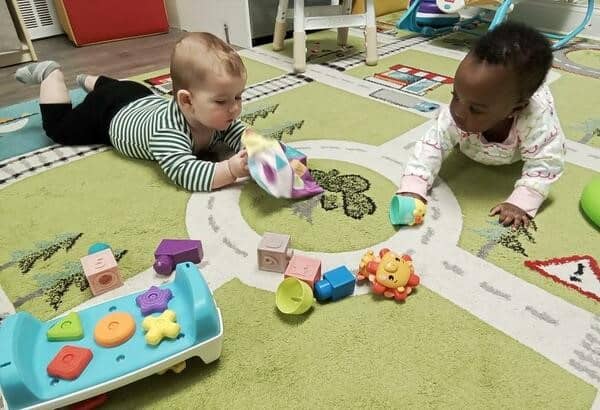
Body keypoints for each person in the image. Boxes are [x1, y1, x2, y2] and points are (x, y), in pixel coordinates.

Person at [15, 32, 249, 191]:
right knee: (60, 128)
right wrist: (230, 168)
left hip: (137, 93)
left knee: (117, 88)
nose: (235, 108)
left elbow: (238, 131)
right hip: (108, 112)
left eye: (238, 96)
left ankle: (90, 80)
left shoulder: (214, 116)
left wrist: (256, 146)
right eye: (221, 101)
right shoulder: (168, 133)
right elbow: (185, 172)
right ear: (187, 101)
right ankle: (51, 75)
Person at [398, 22, 565, 228]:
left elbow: (547, 161)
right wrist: (414, 186)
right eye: (455, 95)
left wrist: (522, 201)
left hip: (516, 152)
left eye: (476, 109)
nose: (458, 111)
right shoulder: (463, 108)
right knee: (447, 128)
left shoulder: (535, 118)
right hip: (475, 141)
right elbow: (432, 144)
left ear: (515, 109)